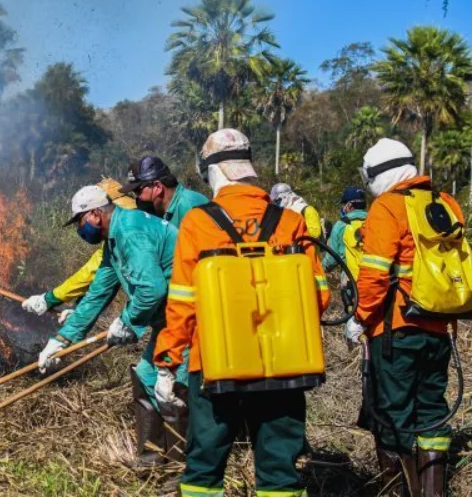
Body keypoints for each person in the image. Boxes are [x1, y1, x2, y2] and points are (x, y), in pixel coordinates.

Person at [154, 128, 330, 497]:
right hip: (285, 367)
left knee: (203, 468)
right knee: (280, 472)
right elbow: (320, 297)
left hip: (218, 366)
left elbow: (183, 302)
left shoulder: (198, 222)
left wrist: (167, 363)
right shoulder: (290, 222)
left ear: (212, 172)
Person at [37, 184, 181, 467]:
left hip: (189, 318)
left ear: (94, 215)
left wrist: (126, 322)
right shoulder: (113, 240)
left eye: (80, 222)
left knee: (174, 387)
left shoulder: (130, 231)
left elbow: (152, 289)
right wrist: (61, 341)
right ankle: (153, 460)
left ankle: (184, 467)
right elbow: (97, 293)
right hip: (169, 318)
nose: (80, 230)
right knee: (147, 377)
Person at [346, 138, 459, 496]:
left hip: (396, 329)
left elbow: (376, 274)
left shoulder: (388, 207)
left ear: (379, 174)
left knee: (391, 415)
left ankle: (396, 490)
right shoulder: (447, 203)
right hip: (439, 328)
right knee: (431, 412)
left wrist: (360, 319)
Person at [22, 158, 207, 317]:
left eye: (138, 191)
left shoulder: (188, 207)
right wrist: (77, 307)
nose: (137, 198)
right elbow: (101, 271)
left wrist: (127, 321)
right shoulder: (142, 222)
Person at [20, 179, 136, 319]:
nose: (80, 227)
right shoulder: (117, 236)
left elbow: (94, 271)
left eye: (80, 220)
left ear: (97, 212)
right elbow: (100, 280)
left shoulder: (130, 234)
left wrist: (50, 298)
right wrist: (79, 308)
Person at [119, 155, 210, 226]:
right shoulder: (162, 211)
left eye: (138, 191)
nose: (137, 198)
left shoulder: (190, 207)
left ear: (158, 187)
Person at [322, 187, 367, 280]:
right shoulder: (375, 220)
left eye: (343, 204)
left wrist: (319, 269)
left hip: (353, 282)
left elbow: (332, 259)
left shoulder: (341, 225)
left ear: (349, 205)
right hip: (378, 281)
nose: (342, 208)